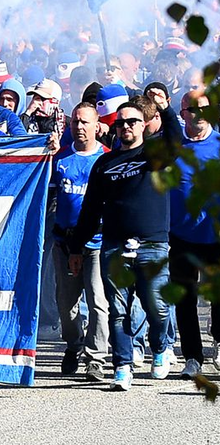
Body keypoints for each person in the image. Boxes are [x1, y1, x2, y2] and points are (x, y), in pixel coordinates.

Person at [70, 98, 173, 391]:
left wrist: (165, 109)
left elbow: (176, 136)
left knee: (156, 305)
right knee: (118, 309)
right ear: (113, 127)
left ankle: (160, 346)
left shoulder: (156, 153)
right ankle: (123, 365)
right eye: (121, 122)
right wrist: (76, 247)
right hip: (114, 246)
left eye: (132, 122)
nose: (126, 127)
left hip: (153, 244)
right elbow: (90, 210)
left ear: (144, 125)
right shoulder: (104, 162)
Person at [53, 103, 109, 381]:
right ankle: (73, 345)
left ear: (97, 126)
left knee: (98, 301)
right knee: (66, 303)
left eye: (85, 122)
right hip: (65, 242)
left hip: (98, 242)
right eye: (75, 121)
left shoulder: (108, 159)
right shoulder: (60, 158)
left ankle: (96, 358)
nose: (79, 127)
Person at [168, 87, 220, 378]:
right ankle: (192, 357)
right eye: (191, 110)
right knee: (185, 299)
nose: (197, 115)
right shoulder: (172, 147)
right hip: (181, 235)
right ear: (183, 113)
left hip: (215, 234)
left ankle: (219, 340)